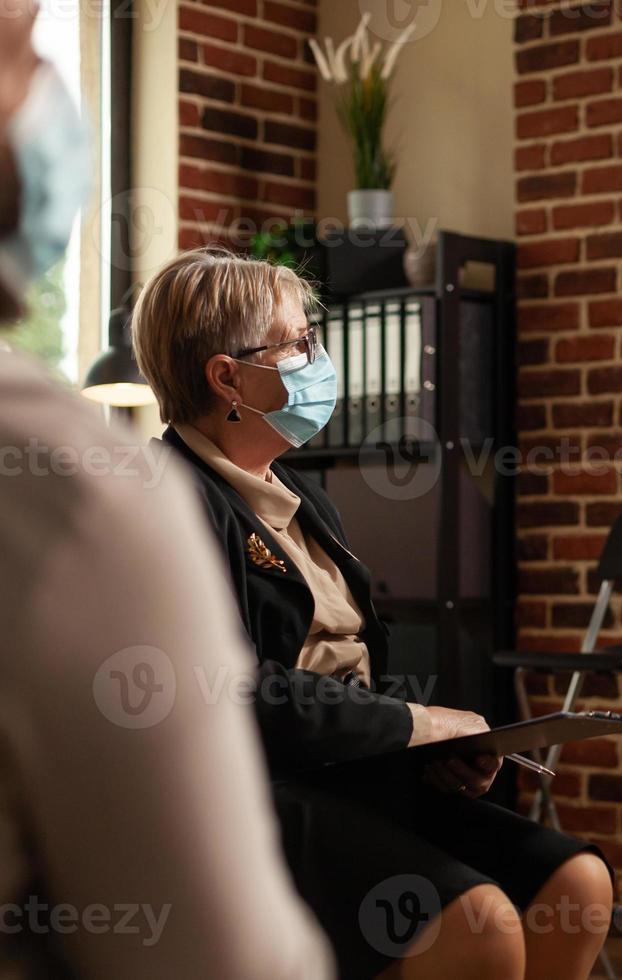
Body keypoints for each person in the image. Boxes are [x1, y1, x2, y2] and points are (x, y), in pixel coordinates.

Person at [130, 247, 612, 980]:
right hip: (262, 799)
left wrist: (426, 753)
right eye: (299, 343)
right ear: (227, 376)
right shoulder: (169, 500)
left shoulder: (302, 496)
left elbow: (345, 671)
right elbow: (234, 694)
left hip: (354, 774)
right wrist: (419, 723)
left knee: (575, 888)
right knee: (479, 928)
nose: (318, 359)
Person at [0, 12, 332, 979]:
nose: (52, 87)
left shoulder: (311, 504)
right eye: (23, 44)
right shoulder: (85, 495)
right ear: (227, 378)